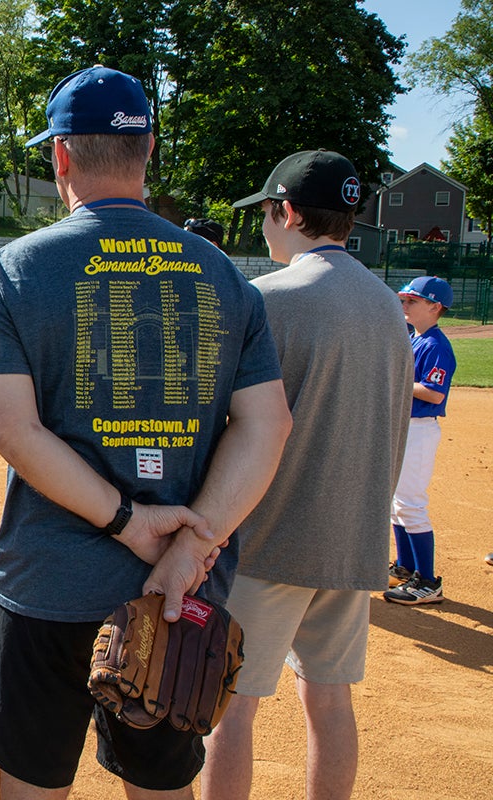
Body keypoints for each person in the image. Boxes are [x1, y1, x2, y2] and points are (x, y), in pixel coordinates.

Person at [0, 65, 292, 800]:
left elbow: (10, 430)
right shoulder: (223, 273)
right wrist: (190, 544)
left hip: (47, 585)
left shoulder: (17, 268)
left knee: (31, 788)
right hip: (178, 596)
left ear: (60, 158)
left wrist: (125, 520)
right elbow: (268, 425)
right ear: (148, 154)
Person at [202, 150, 414, 800]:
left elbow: (223, 427)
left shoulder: (265, 298)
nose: (265, 228)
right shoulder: (388, 308)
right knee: (329, 700)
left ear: (288, 212)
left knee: (230, 710)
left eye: (267, 214)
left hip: (266, 540)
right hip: (352, 540)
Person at [384, 275, 456, 605]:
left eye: (412, 300)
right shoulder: (415, 337)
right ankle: (406, 567)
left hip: (419, 428)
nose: (405, 304)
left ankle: (427, 581)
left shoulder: (436, 345)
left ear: (434, 306)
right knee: (397, 504)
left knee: (411, 503)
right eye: (404, 299)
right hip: (405, 427)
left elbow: (434, 390)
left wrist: (398, 380)